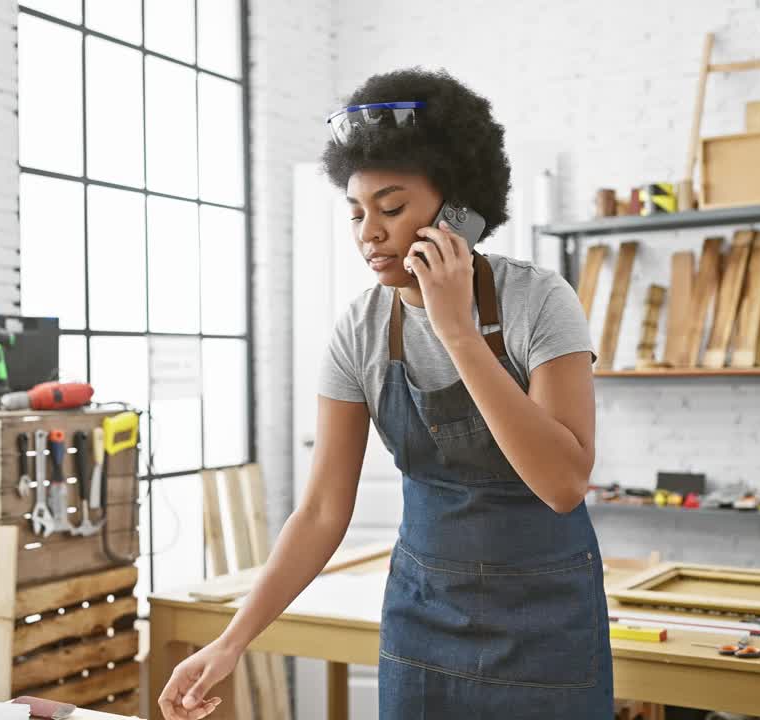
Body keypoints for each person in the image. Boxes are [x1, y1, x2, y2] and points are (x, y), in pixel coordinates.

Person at [158, 67, 611, 719]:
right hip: (422, 629)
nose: (369, 232)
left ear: (457, 211)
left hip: (547, 635)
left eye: (392, 209)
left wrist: (457, 329)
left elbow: (563, 482)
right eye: (357, 213)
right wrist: (232, 642)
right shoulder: (359, 330)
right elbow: (319, 512)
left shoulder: (540, 301)